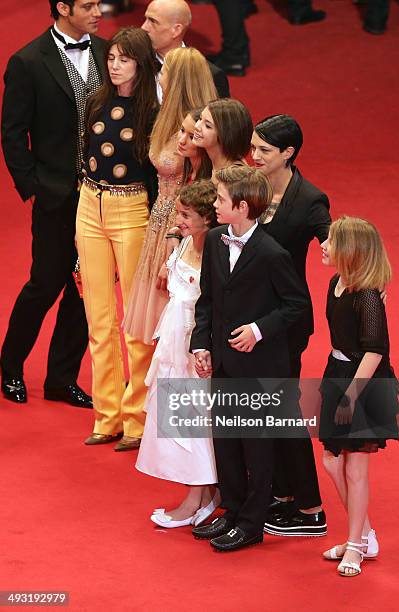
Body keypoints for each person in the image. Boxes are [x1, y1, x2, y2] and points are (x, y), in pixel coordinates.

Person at [190, 165, 308, 552]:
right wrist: (201, 344)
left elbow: (297, 306)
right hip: (223, 362)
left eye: (221, 200)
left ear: (242, 207)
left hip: (259, 367)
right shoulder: (213, 240)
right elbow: (206, 299)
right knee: (226, 442)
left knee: (257, 447)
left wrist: (259, 330)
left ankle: (252, 524)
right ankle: (233, 509)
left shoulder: (273, 253)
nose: (214, 204)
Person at [0, 0, 106, 408]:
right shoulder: (27, 61)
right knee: (45, 284)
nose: (99, 11)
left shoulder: (106, 52)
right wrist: (36, 187)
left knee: (87, 290)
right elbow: (13, 134)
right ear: (63, 8)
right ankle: (10, 366)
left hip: (103, 196)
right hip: (56, 196)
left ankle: (61, 378)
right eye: (89, 5)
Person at [122, 47, 218, 445]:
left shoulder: (199, 133)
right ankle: (146, 416)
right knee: (159, 328)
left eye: (164, 72)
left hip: (175, 232)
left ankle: (178, 428)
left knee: (178, 326)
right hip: (160, 225)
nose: (157, 76)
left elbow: (199, 196)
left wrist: (176, 241)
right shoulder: (174, 120)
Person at [76, 27, 159, 450]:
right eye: (111, 58)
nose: (114, 66)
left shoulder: (152, 111)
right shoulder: (95, 100)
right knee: (98, 318)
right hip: (90, 204)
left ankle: (137, 418)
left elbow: (158, 177)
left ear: (140, 65)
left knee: (135, 320)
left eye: (124, 59)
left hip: (132, 211)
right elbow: (83, 156)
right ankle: (105, 416)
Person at [250, 114, 330, 537]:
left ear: (288, 153)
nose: (254, 155)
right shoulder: (252, 186)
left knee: (280, 412)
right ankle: (280, 494)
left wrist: (362, 277)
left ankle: (310, 508)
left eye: (264, 149)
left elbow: (333, 241)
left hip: (284, 321)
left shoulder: (310, 199)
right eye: (253, 147)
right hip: (248, 317)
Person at [137, 180, 220, 528]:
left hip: (194, 346)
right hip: (173, 340)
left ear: (207, 219)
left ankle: (196, 497)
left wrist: (203, 347)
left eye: (186, 215)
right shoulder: (185, 240)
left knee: (194, 422)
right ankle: (201, 493)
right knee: (178, 417)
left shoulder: (216, 252)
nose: (179, 219)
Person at [319, 216, 399, 576]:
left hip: (363, 383)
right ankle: (364, 534)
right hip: (337, 374)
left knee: (355, 468)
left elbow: (375, 350)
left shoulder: (367, 295)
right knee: (333, 462)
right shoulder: (337, 282)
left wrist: (351, 394)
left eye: (331, 241)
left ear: (350, 251)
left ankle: (355, 545)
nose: (323, 245)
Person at [141, 0, 229, 100]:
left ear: (176, 30)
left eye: (153, 21)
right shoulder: (133, 62)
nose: (143, 27)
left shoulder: (210, 76)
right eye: (145, 19)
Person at [193, 98, 253, 179]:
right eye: (200, 119)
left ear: (226, 135)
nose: (196, 126)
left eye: (207, 126)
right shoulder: (205, 161)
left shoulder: (236, 177)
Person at [178, 109, 213, 184]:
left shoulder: (210, 181)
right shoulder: (188, 170)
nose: (182, 141)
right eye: (182, 130)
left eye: (191, 137)